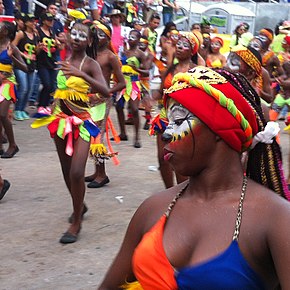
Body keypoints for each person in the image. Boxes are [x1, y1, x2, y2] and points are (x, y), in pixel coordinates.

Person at [98, 66, 290, 289]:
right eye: (167, 122)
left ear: (221, 129)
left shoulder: (275, 218)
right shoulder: (152, 209)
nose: (166, 132)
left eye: (178, 121)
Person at [32, 20, 109, 243]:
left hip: (83, 123)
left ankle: (76, 222)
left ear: (89, 41)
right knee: (66, 171)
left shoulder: (91, 64)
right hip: (60, 121)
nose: (76, 38)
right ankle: (80, 206)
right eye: (73, 34)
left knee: (77, 172)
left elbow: (105, 91)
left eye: (81, 35)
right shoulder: (63, 58)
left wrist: (81, 74)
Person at [150, 32, 202, 189]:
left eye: (185, 45)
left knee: (179, 159)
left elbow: (202, 96)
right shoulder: (170, 69)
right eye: (178, 44)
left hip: (185, 119)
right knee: (162, 158)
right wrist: (150, 98)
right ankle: (170, 192)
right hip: (165, 117)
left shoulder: (196, 70)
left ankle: (183, 193)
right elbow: (160, 92)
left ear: (192, 50)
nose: (179, 48)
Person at [84, 20, 126, 189]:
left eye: (101, 34)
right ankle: (97, 171)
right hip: (87, 99)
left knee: (97, 137)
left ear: (108, 39)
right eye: (95, 33)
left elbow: (122, 83)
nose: (97, 37)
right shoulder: (89, 53)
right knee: (88, 134)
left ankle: (102, 174)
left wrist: (105, 93)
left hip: (101, 100)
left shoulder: (110, 56)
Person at [114, 29, 148, 148]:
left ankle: (137, 136)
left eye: (133, 37)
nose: (130, 39)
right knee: (118, 107)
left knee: (134, 109)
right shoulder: (124, 52)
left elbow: (147, 72)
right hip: (123, 82)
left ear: (138, 40)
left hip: (133, 82)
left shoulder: (140, 54)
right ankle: (123, 133)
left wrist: (137, 69)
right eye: (129, 37)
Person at [0, 21, 27, 158]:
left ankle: (13, 145)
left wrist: (12, 58)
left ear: (6, 32)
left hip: (7, 83)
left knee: (3, 115)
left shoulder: (11, 47)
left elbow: (25, 68)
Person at [12, 13, 38, 121]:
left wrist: (39, 49)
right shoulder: (21, 34)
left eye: (34, 21)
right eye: (31, 21)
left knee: (29, 89)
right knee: (23, 87)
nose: (33, 23)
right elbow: (12, 46)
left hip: (31, 65)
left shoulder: (36, 35)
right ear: (26, 23)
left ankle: (22, 109)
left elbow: (35, 50)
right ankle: (17, 109)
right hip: (20, 64)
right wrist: (23, 55)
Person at [35, 12, 63, 113]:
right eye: (49, 20)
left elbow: (59, 46)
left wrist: (59, 44)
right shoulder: (38, 31)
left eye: (52, 20)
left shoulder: (52, 31)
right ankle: (41, 104)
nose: (51, 22)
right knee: (46, 84)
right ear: (43, 21)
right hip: (42, 62)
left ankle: (45, 105)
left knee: (51, 86)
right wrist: (39, 48)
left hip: (52, 61)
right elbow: (36, 50)